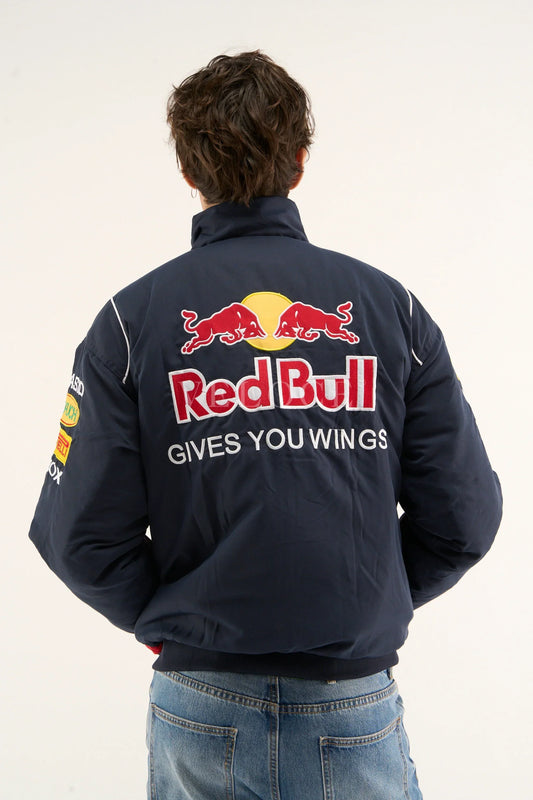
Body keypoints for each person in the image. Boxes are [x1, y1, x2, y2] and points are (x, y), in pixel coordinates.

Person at [29, 51, 502, 799]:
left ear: (188, 170)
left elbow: (76, 536)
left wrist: (182, 625)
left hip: (199, 705)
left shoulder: (130, 321)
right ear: (301, 162)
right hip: (350, 704)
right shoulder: (391, 310)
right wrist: (356, 603)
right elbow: (465, 519)